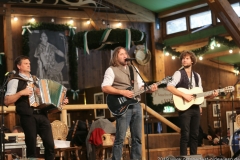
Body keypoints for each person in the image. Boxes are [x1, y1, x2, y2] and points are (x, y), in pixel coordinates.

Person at [4, 55, 68, 160]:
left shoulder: (36, 79)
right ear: (19, 66)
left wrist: (60, 102)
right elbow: (7, 101)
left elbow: (46, 100)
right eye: (26, 63)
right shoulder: (14, 80)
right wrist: (21, 93)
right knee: (31, 145)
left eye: (29, 63)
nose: (29, 65)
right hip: (28, 116)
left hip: (42, 114)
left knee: (50, 145)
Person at [101, 46, 158, 160]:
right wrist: (122, 92)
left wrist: (150, 89)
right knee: (120, 138)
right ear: (116, 57)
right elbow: (105, 87)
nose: (125, 55)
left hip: (136, 105)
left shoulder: (134, 69)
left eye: (125, 53)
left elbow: (141, 86)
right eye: (121, 54)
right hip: (122, 106)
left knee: (137, 137)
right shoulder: (111, 70)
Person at [167, 50, 218, 155]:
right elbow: (169, 87)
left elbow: (200, 94)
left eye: (187, 58)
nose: (184, 60)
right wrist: (184, 95)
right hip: (184, 108)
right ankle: (183, 157)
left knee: (195, 135)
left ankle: (194, 157)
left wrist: (211, 95)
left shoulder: (197, 76)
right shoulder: (178, 73)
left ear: (192, 61)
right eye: (183, 58)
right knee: (185, 135)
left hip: (195, 107)